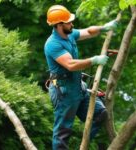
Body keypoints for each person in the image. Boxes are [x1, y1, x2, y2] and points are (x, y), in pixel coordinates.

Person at [44, 5, 118, 150]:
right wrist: (94, 60)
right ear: (59, 25)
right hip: (64, 91)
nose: (72, 24)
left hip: (78, 86)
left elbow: (89, 32)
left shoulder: (69, 34)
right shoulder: (52, 44)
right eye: (68, 22)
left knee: (100, 114)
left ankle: (82, 146)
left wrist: (104, 28)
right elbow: (70, 64)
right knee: (62, 133)